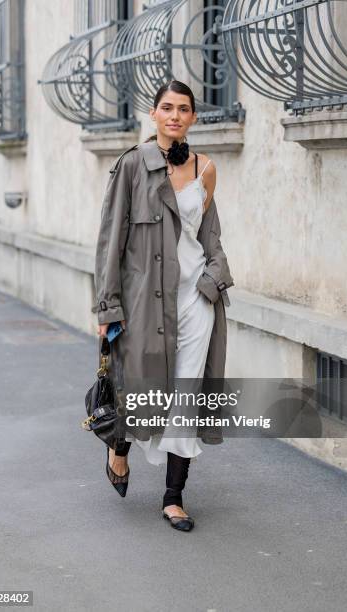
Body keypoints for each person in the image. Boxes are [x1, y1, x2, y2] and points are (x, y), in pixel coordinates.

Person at [94, 80, 234, 532]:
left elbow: (210, 238)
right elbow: (110, 241)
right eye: (167, 108)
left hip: (196, 302)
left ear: (193, 118)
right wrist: (107, 308)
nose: (175, 115)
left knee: (185, 397)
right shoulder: (132, 166)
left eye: (184, 109)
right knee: (139, 391)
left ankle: (173, 498)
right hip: (144, 305)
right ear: (153, 114)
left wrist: (215, 279)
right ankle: (119, 446)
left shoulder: (206, 168)